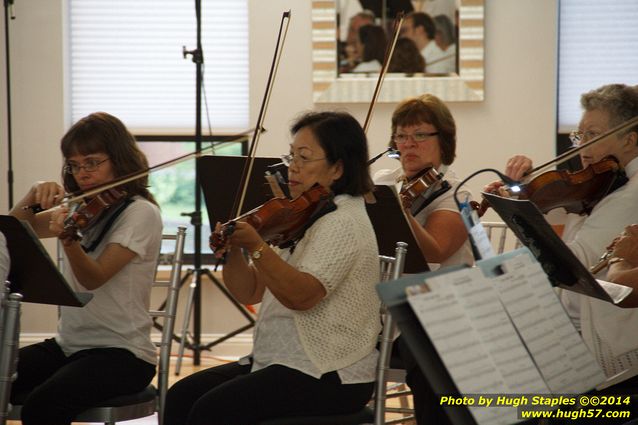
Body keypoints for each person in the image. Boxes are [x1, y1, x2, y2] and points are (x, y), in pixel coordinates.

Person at [165, 111, 381, 425]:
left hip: (332, 371)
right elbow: (248, 290)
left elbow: (302, 297)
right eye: (291, 155)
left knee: (213, 410)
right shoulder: (302, 214)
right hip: (281, 360)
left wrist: (257, 246)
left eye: (304, 158)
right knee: (182, 395)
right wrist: (234, 253)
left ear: (338, 168)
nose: (292, 166)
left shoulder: (344, 221)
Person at [9, 112, 163, 425]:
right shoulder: (81, 208)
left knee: (44, 405)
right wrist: (32, 195)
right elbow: (13, 230)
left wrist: (69, 241)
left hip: (122, 354)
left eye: (92, 162)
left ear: (118, 159)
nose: (83, 174)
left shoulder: (140, 213)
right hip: (68, 345)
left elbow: (93, 278)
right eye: (75, 165)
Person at [494, 84, 638, 415]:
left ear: (629, 139)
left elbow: (570, 265)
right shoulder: (600, 185)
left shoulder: (630, 194)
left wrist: (524, 211)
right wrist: (536, 197)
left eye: (593, 134)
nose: (582, 147)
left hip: (597, 346)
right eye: (580, 134)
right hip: (567, 327)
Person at [374, 94, 472, 425]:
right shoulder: (385, 182)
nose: (408, 144)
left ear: (442, 139)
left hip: (436, 311)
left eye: (419, 135)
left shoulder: (454, 192)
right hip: (378, 311)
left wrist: (398, 210)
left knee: (429, 360)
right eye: (401, 136)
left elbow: (436, 250)